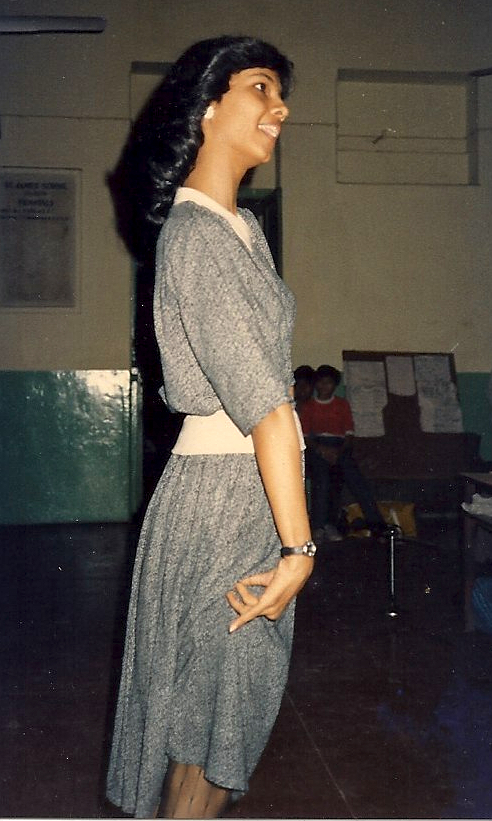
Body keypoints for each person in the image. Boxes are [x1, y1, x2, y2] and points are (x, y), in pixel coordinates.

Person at [106, 36, 314, 819]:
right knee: (206, 732)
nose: (281, 107)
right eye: (262, 86)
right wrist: (299, 547)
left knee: (226, 728)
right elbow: (263, 403)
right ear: (207, 104)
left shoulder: (244, 233)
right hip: (226, 502)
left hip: (252, 496)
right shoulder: (194, 236)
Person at [300, 364, 385, 542]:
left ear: (334, 385)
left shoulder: (342, 404)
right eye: (321, 383)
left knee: (355, 478)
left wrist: (338, 452)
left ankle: (378, 525)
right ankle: (319, 527)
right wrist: (323, 450)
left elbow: (349, 434)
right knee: (322, 479)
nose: (324, 387)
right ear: (316, 385)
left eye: (329, 383)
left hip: (340, 447)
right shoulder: (309, 407)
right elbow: (306, 436)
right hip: (317, 447)